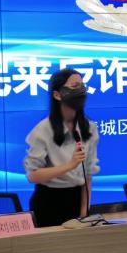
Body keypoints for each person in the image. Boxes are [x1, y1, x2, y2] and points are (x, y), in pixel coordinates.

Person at [24, 68, 100, 227]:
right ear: (57, 95)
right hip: (48, 203)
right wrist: (69, 165)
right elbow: (33, 176)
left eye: (82, 86)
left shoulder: (89, 128)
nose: (81, 91)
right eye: (74, 87)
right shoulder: (43, 130)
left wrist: (84, 212)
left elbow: (88, 174)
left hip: (77, 201)